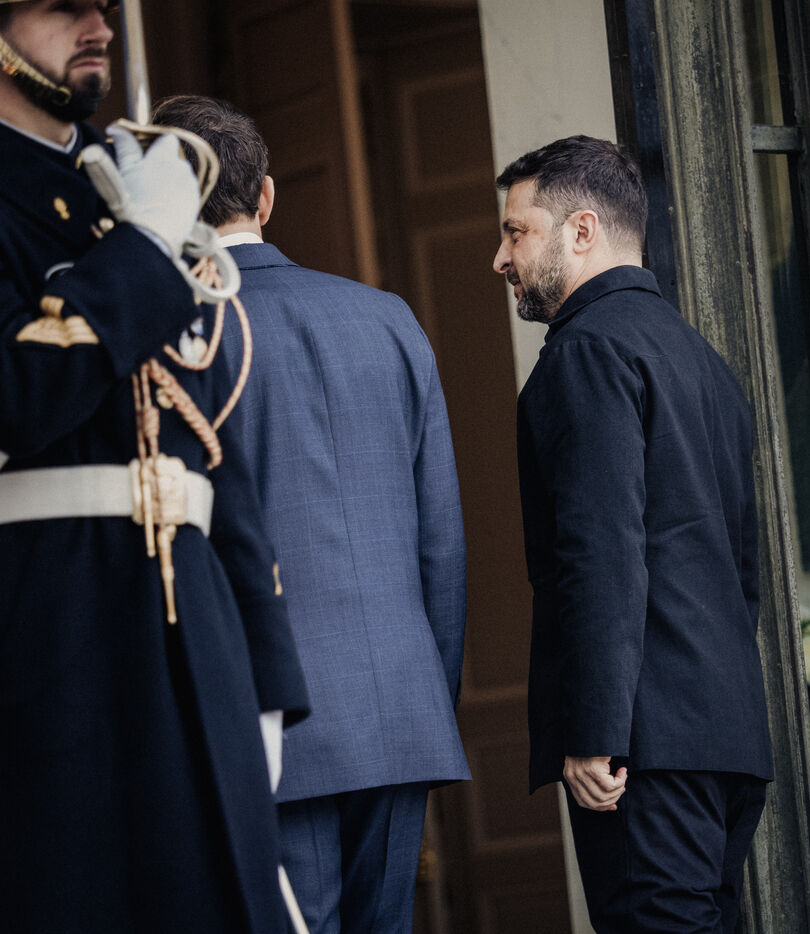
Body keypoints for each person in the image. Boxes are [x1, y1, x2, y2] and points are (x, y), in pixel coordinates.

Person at [0, 2, 309, 932]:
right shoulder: (132, 214)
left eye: (103, 3)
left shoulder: (133, 182)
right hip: (50, 642)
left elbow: (207, 441)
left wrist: (263, 679)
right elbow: (17, 393)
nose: (98, 24)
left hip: (194, 646)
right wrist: (141, 251)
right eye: (62, 6)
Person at [152, 93, 470, 934]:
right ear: (264, 198)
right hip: (402, 711)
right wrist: (426, 697)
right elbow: (441, 544)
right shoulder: (389, 319)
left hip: (267, 718)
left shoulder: (176, 341)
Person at [493, 135, 774, 932]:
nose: (501, 259)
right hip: (723, 737)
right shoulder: (699, 359)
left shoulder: (586, 351)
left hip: (640, 751)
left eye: (516, 232)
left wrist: (595, 732)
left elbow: (599, 552)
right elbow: (740, 569)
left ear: (581, 231)